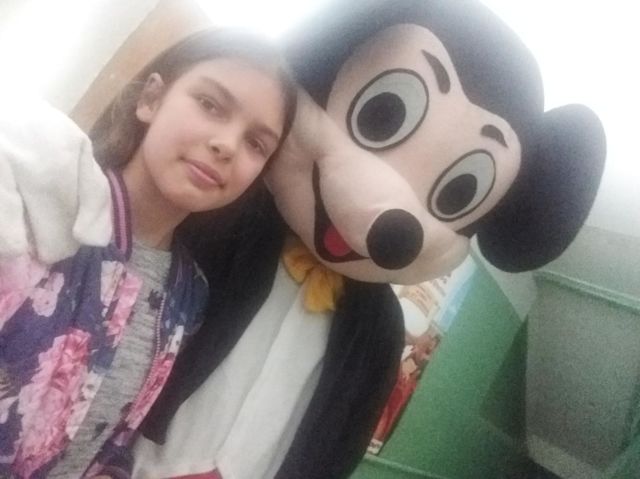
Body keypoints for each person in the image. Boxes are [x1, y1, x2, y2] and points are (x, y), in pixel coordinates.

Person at [0, 28, 296, 478]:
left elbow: (110, 438)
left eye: (256, 143)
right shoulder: (41, 203)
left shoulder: (189, 296)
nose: (227, 144)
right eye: (210, 104)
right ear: (151, 99)